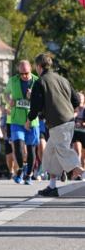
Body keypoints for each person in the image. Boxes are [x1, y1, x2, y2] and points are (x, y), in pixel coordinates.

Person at [27, 53, 82, 197]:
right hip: (68, 120)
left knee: (62, 150)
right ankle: (52, 186)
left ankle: (80, 171)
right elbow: (76, 100)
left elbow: (35, 106)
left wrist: (29, 119)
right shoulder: (63, 80)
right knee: (50, 155)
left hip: (58, 122)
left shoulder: (40, 82)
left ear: (38, 66)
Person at [5, 59, 40, 185]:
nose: (24, 76)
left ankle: (29, 175)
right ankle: (20, 169)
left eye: (27, 73)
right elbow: (6, 94)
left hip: (32, 120)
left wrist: (33, 96)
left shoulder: (37, 81)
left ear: (31, 70)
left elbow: (43, 100)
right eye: (22, 74)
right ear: (19, 72)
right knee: (18, 145)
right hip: (16, 119)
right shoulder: (13, 80)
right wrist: (9, 101)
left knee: (31, 149)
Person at [72, 92, 85, 172]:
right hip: (76, 133)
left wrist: (83, 123)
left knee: (83, 157)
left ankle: (82, 174)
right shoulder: (73, 109)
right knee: (77, 152)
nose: (79, 99)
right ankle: (77, 173)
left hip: (84, 133)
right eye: (78, 98)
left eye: (81, 98)